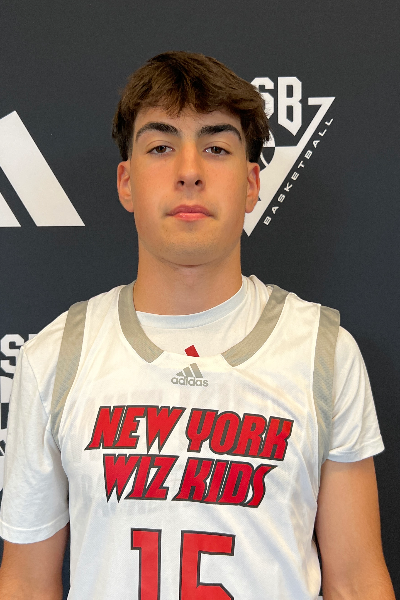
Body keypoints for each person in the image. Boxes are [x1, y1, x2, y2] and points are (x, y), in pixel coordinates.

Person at [0, 51, 395, 600]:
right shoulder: (56, 355)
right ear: (127, 182)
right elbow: (25, 583)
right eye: (161, 147)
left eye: (216, 148)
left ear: (252, 184)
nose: (189, 171)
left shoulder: (323, 352)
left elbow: (355, 582)